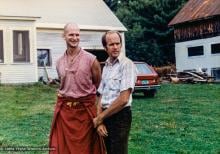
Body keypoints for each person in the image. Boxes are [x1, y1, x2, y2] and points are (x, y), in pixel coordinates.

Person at [49, 23, 106, 154]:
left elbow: (99, 86)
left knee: (85, 149)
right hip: (65, 113)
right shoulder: (59, 62)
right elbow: (63, 84)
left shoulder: (91, 60)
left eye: (77, 35)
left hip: (85, 111)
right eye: (71, 35)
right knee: (61, 148)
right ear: (64, 36)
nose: (74, 38)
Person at [93, 30, 137, 154]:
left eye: (118, 43)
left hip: (120, 117)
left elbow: (123, 99)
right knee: (106, 151)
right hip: (106, 116)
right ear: (105, 47)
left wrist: (99, 118)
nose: (115, 47)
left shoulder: (127, 65)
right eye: (111, 44)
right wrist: (100, 121)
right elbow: (101, 94)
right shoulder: (107, 66)